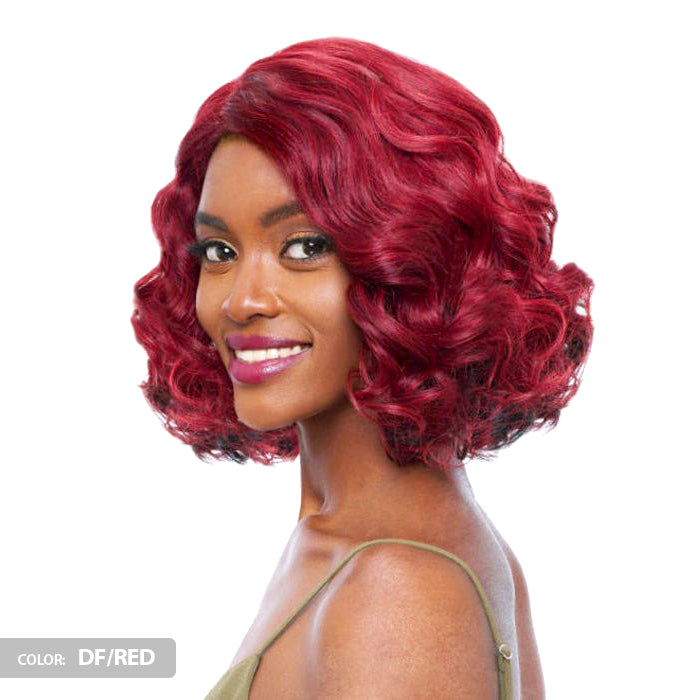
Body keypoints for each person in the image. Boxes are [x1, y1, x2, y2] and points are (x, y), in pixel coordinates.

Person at [131, 37, 593, 699]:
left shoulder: (398, 590)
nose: (241, 300)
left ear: (412, 267)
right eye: (219, 251)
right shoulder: (357, 540)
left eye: (303, 247)